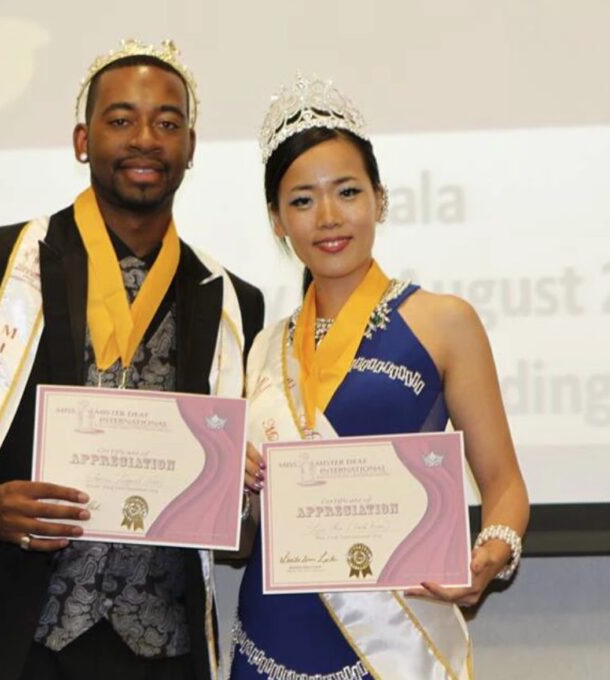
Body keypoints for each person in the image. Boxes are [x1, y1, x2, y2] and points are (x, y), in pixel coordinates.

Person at [0, 39, 264, 680]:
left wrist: (247, 487)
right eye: (121, 120)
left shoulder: (231, 303)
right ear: (83, 140)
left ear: (191, 148)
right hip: (5, 642)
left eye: (167, 123)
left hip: (160, 651)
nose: (145, 138)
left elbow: (230, 494)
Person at [227, 76, 529, 680]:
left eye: (347, 192)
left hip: (397, 642)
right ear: (277, 221)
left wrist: (491, 553)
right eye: (303, 200)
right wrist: (235, 486)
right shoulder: (261, 348)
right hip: (268, 640)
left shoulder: (444, 323)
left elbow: (505, 485)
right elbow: (243, 535)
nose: (329, 217)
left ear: (380, 200)